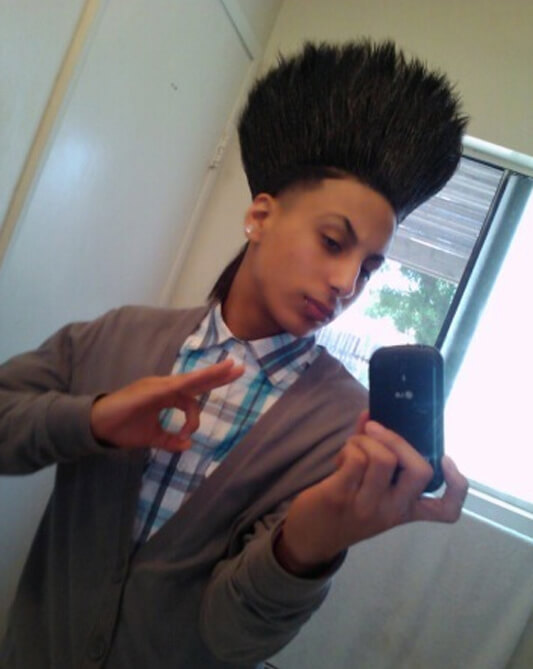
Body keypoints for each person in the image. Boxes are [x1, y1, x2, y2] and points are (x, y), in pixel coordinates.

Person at [0, 40, 469, 668]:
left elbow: (232, 639)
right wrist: (93, 420)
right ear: (260, 216)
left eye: (368, 269)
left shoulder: (345, 428)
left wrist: (306, 546)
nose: (345, 283)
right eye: (334, 242)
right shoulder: (120, 337)